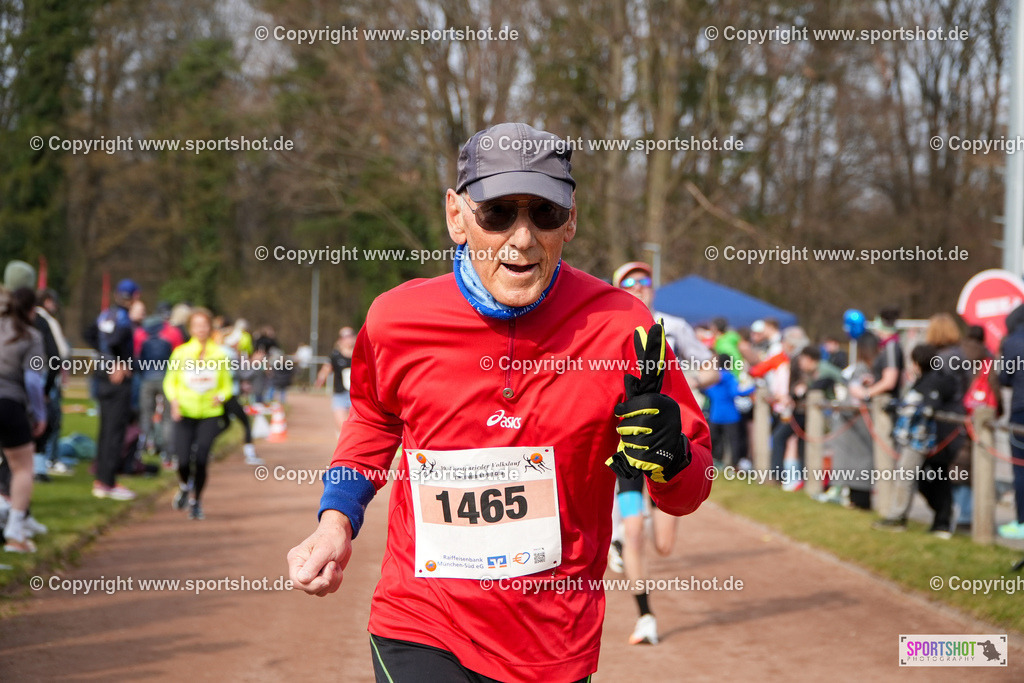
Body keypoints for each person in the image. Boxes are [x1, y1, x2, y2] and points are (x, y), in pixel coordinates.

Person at [287, 122, 713, 682]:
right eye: (497, 213)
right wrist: (337, 517)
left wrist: (672, 455)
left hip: (553, 642)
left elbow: (689, 491)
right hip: (421, 621)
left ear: (572, 220)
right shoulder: (396, 319)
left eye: (544, 213)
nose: (522, 238)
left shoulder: (623, 328)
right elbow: (374, 417)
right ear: (456, 216)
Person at [610, 259, 712, 645]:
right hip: (631, 441)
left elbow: (710, 368)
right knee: (633, 530)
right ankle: (645, 615)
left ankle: (631, 527)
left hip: (672, 441)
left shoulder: (675, 326)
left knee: (664, 545)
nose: (639, 287)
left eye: (645, 280)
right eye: (629, 282)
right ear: (619, 288)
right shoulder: (612, 327)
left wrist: (694, 377)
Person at [873, 344, 959, 537]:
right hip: (922, 440)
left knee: (909, 478)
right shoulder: (928, 380)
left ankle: (898, 517)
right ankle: (940, 522)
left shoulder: (933, 381)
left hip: (922, 440)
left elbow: (926, 407)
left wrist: (901, 407)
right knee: (926, 481)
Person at [162, 308, 233, 520]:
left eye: (205, 325)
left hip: (210, 413)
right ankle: (184, 486)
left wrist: (221, 397)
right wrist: (174, 402)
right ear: (190, 328)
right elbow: (170, 382)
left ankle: (196, 501)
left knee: (201, 458)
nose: (201, 329)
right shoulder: (181, 353)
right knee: (183, 460)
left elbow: (227, 386)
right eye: (197, 325)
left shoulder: (219, 354)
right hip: (184, 412)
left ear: (210, 327)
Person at [83, 278, 140, 501]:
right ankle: (108, 482)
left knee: (105, 430)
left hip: (101, 377)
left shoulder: (105, 314)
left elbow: (89, 334)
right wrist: (118, 363)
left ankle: (102, 479)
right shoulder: (124, 318)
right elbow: (116, 340)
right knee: (115, 432)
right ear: (134, 297)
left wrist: (104, 358)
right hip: (117, 381)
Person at [0, 288, 47, 552]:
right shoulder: (31, 336)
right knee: (22, 467)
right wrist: (39, 414)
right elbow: (33, 380)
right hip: (9, 403)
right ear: (32, 310)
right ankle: (15, 532)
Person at [998, 304, 1024, 539]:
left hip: (1020, 410)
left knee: (1021, 467)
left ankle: (1022, 521)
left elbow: (1004, 378)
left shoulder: (1012, 341)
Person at [701, 353, 755, 468]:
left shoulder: (713, 376)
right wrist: (753, 388)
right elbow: (735, 392)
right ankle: (735, 464)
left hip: (715, 414)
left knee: (715, 441)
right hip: (731, 415)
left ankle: (715, 462)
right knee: (734, 442)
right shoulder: (729, 376)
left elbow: (705, 390)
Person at [315, 326, 357, 433]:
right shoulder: (335, 355)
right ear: (340, 340)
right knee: (342, 426)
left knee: (356, 428)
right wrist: (320, 379)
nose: (348, 339)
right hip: (340, 394)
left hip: (357, 396)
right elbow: (326, 369)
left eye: (350, 335)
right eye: (345, 336)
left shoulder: (360, 353)